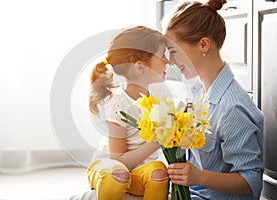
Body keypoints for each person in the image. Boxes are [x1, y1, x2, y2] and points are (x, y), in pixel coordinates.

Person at [164, 0, 264, 199]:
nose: (170, 61)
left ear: (203, 44)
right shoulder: (198, 91)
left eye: (174, 51)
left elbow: (252, 181)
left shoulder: (231, 108)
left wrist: (200, 177)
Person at [87, 26, 169, 200]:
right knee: (118, 175)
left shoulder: (161, 94)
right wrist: (157, 141)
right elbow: (118, 159)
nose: (167, 62)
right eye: (162, 56)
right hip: (109, 167)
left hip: (140, 172)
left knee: (159, 173)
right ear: (141, 68)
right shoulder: (118, 104)